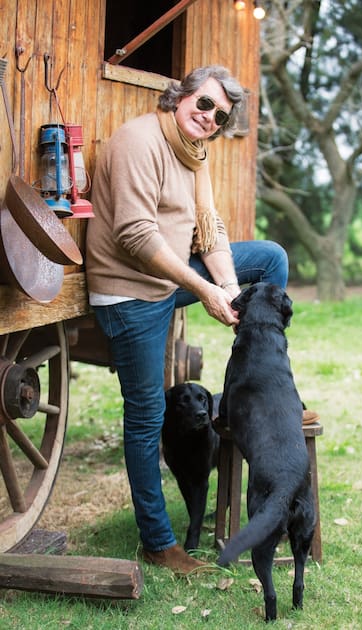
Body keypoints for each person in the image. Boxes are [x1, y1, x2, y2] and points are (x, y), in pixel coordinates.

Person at [86, 65, 301, 574]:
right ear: (181, 96)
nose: (208, 118)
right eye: (203, 104)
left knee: (270, 260)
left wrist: (228, 290)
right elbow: (136, 237)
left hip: (169, 279)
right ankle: (159, 544)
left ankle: (266, 389)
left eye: (219, 116)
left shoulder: (195, 151)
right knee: (144, 417)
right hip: (129, 291)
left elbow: (211, 230)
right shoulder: (140, 141)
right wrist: (203, 289)